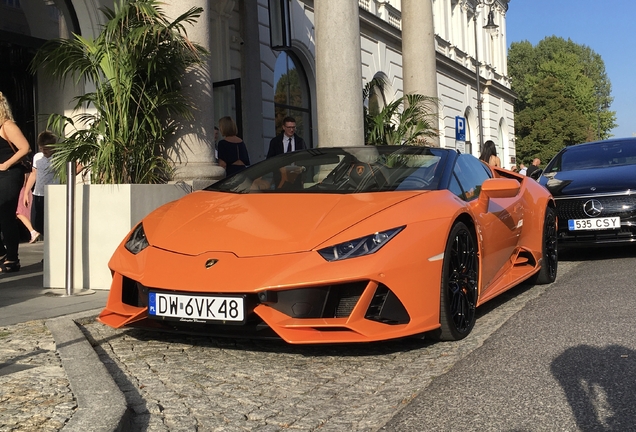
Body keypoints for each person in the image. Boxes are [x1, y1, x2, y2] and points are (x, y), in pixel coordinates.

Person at [0, 91, 31, 273]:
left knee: (5, 215)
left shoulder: (7, 126)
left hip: (10, 174)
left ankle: (12, 258)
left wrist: (6, 164)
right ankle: (3, 254)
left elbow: (25, 147)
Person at [23, 131, 59, 240]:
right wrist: (26, 192)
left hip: (53, 193)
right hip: (38, 193)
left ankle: (52, 244)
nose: (44, 151)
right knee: (36, 223)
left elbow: (78, 166)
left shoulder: (59, 157)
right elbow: (34, 174)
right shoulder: (37, 157)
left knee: (51, 223)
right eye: (42, 148)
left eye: (47, 148)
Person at [17, 175, 40, 243]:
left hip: (22, 191)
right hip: (25, 190)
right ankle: (33, 231)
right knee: (23, 212)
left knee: (19, 212)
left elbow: (24, 181)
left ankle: (33, 231)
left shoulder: (24, 170)